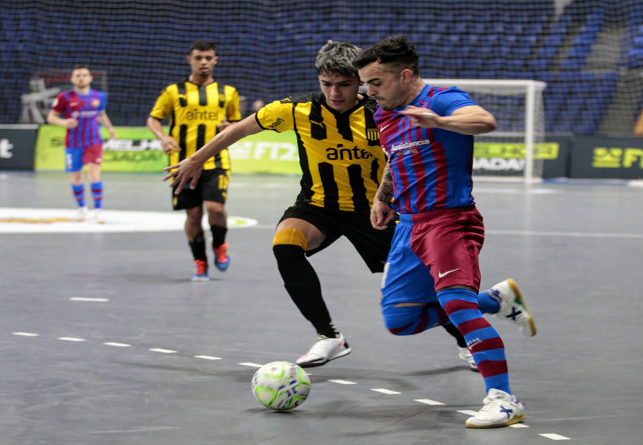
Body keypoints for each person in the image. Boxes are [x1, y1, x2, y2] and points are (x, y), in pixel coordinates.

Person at [164, 40, 529, 371]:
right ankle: (329, 337)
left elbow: (401, 156)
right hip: (317, 205)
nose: (335, 92)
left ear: (360, 82)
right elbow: (239, 129)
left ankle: (472, 330)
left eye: (344, 84)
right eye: (327, 84)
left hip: (375, 212)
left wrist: (387, 196)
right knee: (285, 247)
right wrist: (196, 159)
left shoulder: (381, 110)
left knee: (429, 289)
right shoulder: (296, 110)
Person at [354, 36, 536, 428]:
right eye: (366, 84)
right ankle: (496, 301)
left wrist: (439, 121)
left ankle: (503, 398)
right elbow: (396, 157)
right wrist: (382, 197)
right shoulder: (384, 113)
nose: (369, 92)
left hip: (450, 221)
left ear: (405, 75)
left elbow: (483, 120)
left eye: (376, 82)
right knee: (400, 320)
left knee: (455, 304)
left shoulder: (441, 99)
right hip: (407, 224)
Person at [147, 40, 241, 281]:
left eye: (208, 58)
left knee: (216, 210)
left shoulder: (228, 93)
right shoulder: (173, 92)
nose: (203, 62)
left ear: (215, 60)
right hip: (182, 163)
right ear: (190, 60)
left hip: (216, 162)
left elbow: (236, 125)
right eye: (199, 57)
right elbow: (153, 119)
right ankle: (199, 261)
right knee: (193, 215)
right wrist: (163, 136)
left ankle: (219, 244)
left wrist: (230, 126)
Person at [47, 65, 116, 222]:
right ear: (72, 79)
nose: (81, 78)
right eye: (78, 75)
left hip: (93, 141)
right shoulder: (64, 97)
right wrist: (64, 122)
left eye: (84, 75)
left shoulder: (99, 96)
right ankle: (82, 208)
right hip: (73, 143)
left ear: (90, 78)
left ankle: (98, 209)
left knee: (94, 174)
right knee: (76, 178)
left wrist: (110, 129)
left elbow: (102, 114)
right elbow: (51, 117)